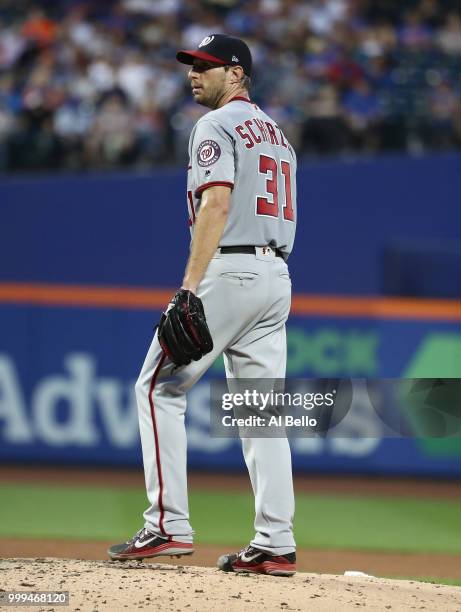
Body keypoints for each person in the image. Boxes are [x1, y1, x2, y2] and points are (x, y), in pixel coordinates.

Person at [108, 34, 297, 576]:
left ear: (236, 74)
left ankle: (166, 525)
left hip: (231, 270)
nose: (195, 74)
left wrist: (188, 288)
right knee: (262, 412)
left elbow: (217, 203)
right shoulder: (278, 135)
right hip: (276, 274)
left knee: (156, 387)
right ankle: (276, 542)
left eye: (207, 66)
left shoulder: (214, 125)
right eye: (192, 65)